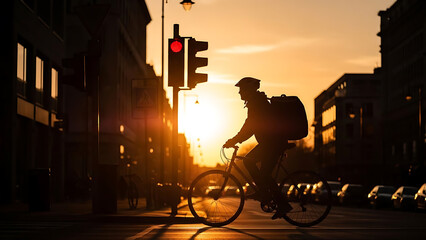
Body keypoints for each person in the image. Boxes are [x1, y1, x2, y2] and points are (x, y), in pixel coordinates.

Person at [223, 77, 292, 219]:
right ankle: (263, 192)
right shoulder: (256, 103)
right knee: (249, 162)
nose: (240, 93)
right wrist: (235, 140)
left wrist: (234, 140)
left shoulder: (258, 104)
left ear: (249, 90)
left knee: (263, 173)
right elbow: (250, 126)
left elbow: (250, 127)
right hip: (269, 143)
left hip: (274, 143)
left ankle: (281, 203)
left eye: (241, 89)